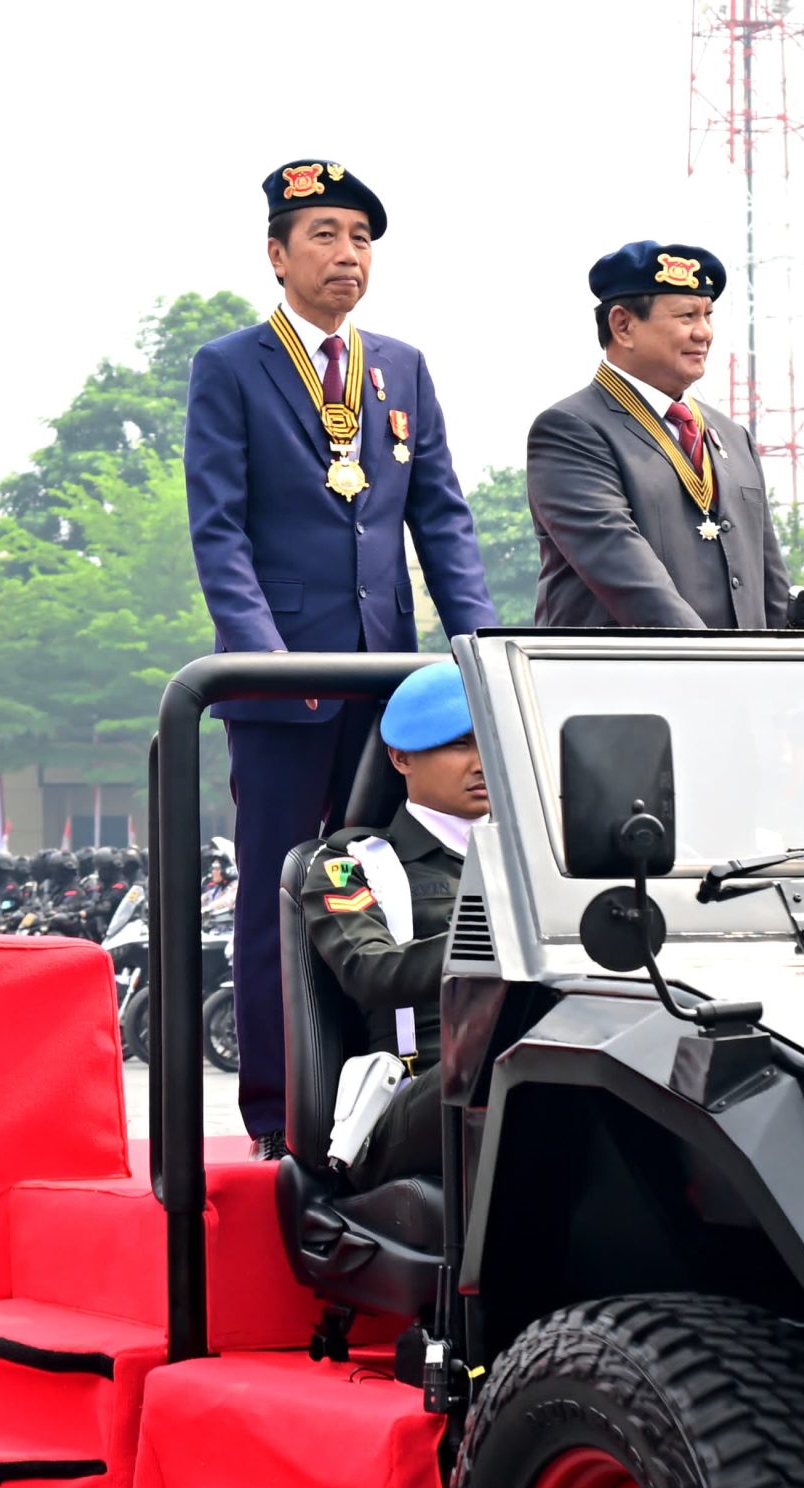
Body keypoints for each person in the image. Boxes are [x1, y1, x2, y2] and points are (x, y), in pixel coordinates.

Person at [186, 159, 498, 1154]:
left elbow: (443, 524)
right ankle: (280, 1115)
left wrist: (479, 656)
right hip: (281, 697)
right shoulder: (231, 366)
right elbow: (220, 534)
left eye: (361, 237)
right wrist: (268, 663)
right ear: (277, 254)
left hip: (388, 686)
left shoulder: (400, 367)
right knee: (283, 892)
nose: (346, 255)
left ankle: (383, 1103)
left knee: (379, 889)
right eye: (323, 235)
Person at [527, 242, 803, 630]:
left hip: (736, 680)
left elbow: (770, 585)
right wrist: (715, 664)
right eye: (686, 316)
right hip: (622, 681)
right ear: (622, 326)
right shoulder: (572, 430)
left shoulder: (731, 436)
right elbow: (628, 577)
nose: (704, 332)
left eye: (707, 315)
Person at [297, 661, 490, 1189]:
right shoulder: (354, 861)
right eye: (459, 745)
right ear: (401, 757)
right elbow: (369, 970)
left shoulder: (547, 856)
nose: (483, 763)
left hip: (545, 1058)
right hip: (418, 1089)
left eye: (493, 742)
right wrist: (507, 941)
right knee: (505, 1061)